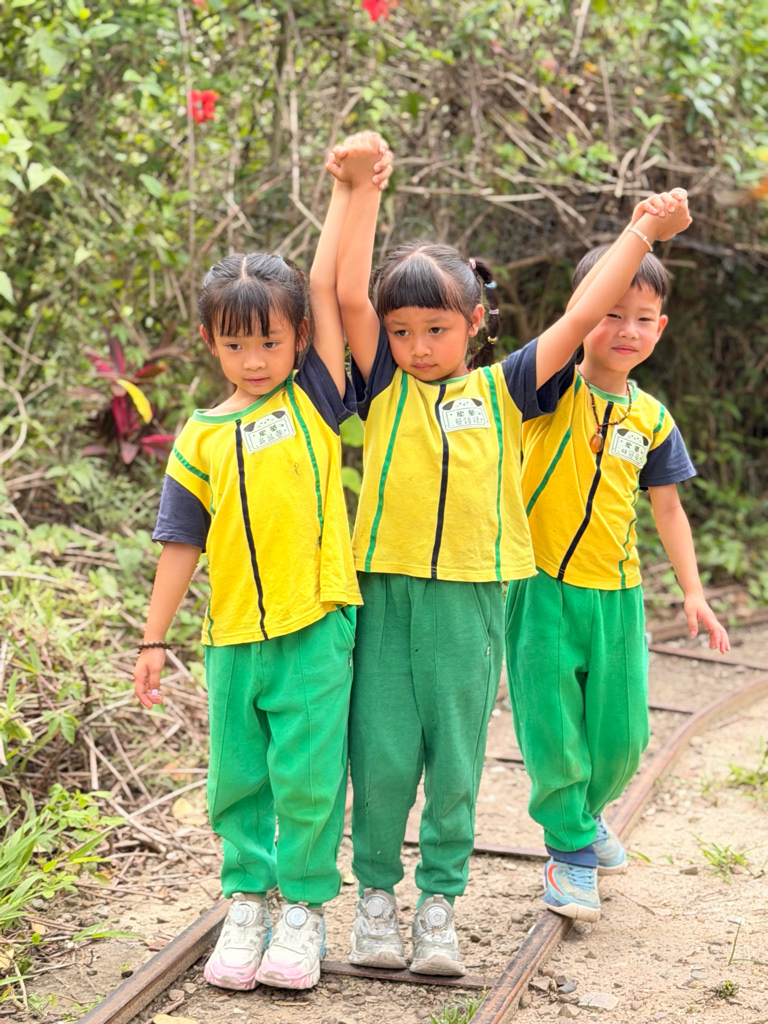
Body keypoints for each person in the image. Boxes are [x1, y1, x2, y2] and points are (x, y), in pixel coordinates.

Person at [327, 131, 693, 975]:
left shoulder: (509, 390)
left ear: (475, 325)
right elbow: (345, 292)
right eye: (402, 331)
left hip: (472, 600)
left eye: (437, 329)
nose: (419, 346)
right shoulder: (382, 387)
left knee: (456, 761)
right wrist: (362, 187)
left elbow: (581, 316)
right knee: (380, 754)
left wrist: (641, 230)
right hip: (383, 594)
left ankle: (439, 906)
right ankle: (376, 898)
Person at [132, 146, 391, 992]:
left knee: (308, 777)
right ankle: (246, 901)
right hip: (234, 636)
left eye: (270, 342)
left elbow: (324, 283)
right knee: (238, 779)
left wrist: (347, 189)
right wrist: (153, 639)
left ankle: (305, 910)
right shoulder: (201, 435)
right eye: (236, 344)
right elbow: (182, 540)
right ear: (210, 341)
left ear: (299, 340)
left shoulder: (316, 396)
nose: (254, 359)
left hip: (316, 622)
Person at [506, 233, 730, 925]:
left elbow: (669, 508)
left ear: (660, 328)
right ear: (584, 311)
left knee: (624, 734)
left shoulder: (652, 418)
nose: (627, 330)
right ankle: (569, 851)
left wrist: (693, 591)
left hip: (618, 594)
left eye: (643, 318)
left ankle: (586, 812)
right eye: (612, 313)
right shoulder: (547, 389)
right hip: (542, 589)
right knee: (553, 730)